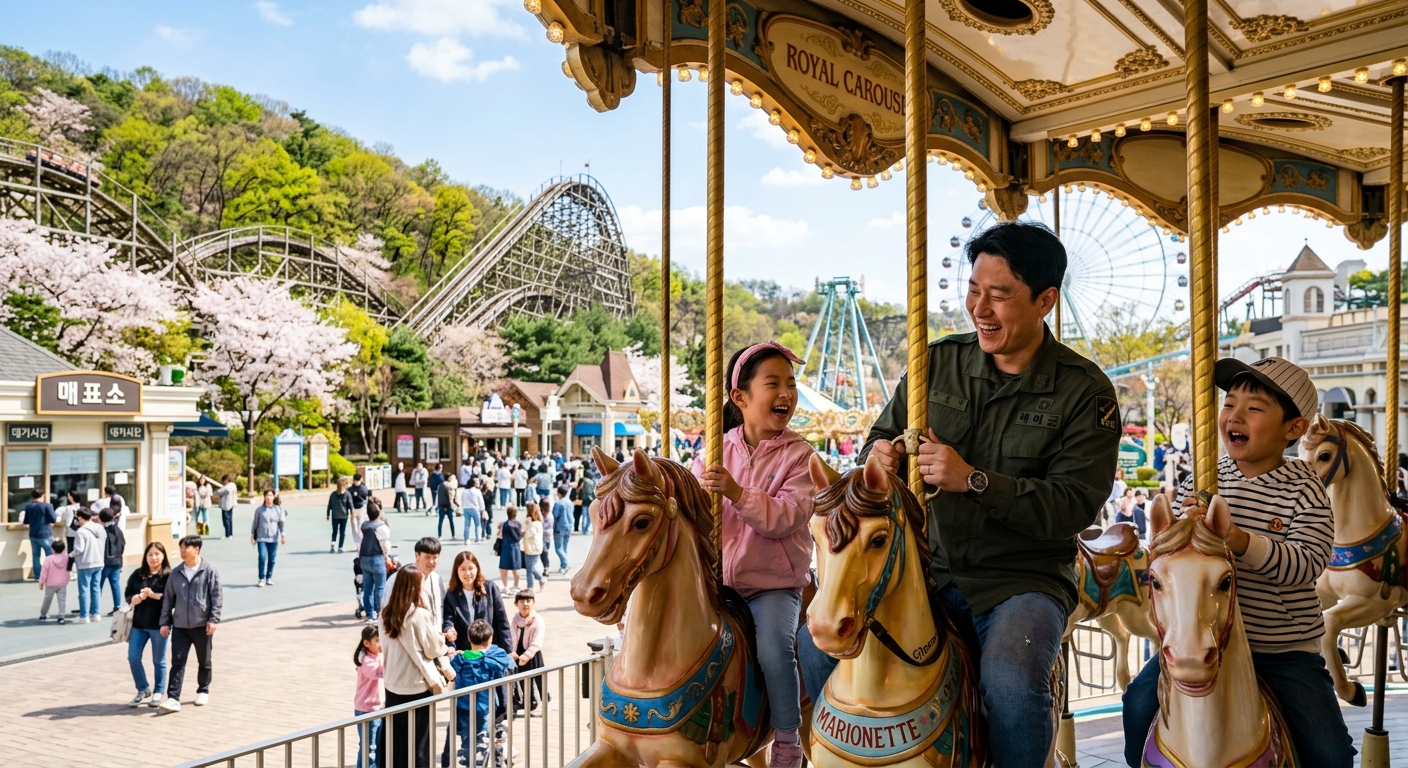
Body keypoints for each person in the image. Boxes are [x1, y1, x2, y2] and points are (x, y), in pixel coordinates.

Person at [821, 221, 1122, 767]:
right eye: (974, 290)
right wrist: (879, 456)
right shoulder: (937, 363)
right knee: (812, 647)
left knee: (1011, 683)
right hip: (926, 568)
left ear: (1045, 300)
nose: (980, 308)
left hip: (1019, 579)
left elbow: (1074, 504)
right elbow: (880, 435)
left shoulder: (1084, 392)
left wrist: (973, 480)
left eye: (999, 295)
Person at [1121, 357, 1353, 767]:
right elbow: (1173, 561)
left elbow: (1308, 562)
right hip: (1202, 640)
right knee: (1138, 702)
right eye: (1229, 403)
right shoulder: (1203, 480)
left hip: (1281, 649)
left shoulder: (1305, 488)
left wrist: (1241, 541)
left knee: (1330, 751)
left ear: (1294, 428)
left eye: (1254, 408)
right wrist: (1182, 530)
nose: (1235, 415)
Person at [695, 340, 816, 768]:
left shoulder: (800, 456)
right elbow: (695, 511)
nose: (786, 393)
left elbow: (786, 516)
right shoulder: (716, 449)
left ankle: (786, 738)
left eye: (791, 384)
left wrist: (735, 491)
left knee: (774, 652)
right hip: (719, 580)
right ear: (740, 398)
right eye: (773, 383)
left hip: (773, 585)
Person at [379, 565, 447, 768]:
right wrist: (442, 640)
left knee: (395, 740)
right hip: (416, 684)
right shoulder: (419, 615)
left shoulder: (385, 614)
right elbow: (433, 649)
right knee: (419, 743)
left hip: (393, 682)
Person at [158, 535, 222, 714]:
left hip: (202, 626)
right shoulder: (176, 573)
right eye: (181, 548)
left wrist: (213, 619)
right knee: (177, 661)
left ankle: (203, 690)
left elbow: (216, 597)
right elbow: (168, 599)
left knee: (204, 660)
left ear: (197, 549)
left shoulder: (209, 570)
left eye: (186, 548)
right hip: (180, 626)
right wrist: (164, 622)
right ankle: (173, 698)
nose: (182, 551)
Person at [442, 619, 513, 768]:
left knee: (467, 743)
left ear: (469, 638)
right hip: (485, 707)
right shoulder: (495, 659)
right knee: (483, 742)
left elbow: (449, 670)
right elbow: (509, 664)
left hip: (463, 707)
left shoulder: (460, 659)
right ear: (490, 639)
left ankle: (470, 762)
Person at [125, 542, 171, 708]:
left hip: (160, 625)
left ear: (163, 556)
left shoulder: (169, 576)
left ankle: (159, 691)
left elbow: (172, 598)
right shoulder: (138, 574)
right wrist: (137, 598)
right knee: (133, 657)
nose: (153, 558)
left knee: (158, 660)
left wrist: (154, 595)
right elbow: (128, 596)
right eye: (150, 554)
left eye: (157, 554)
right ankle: (143, 688)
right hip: (139, 624)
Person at [442, 551, 511, 653]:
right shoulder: (451, 594)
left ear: (477, 569)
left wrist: (509, 650)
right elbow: (448, 619)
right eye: (463, 569)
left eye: (471, 568)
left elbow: (502, 621)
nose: (467, 573)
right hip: (465, 651)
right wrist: (449, 630)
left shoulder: (490, 588)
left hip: (489, 650)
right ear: (456, 571)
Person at [385, 537, 448, 634]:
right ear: (417, 555)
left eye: (435, 557)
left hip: (436, 637)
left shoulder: (437, 579)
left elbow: (441, 608)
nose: (431, 562)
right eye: (427, 557)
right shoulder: (398, 579)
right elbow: (386, 612)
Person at [508, 590, 546, 714]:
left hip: (533, 654)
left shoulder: (538, 620)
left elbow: (537, 642)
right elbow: (512, 635)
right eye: (522, 601)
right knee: (523, 679)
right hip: (519, 654)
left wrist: (527, 655)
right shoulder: (516, 618)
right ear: (516, 604)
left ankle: (546, 701)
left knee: (539, 680)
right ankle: (529, 701)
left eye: (528, 601)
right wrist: (512, 651)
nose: (525, 604)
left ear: (533, 603)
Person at [353, 625, 385, 768]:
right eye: (377, 641)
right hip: (367, 710)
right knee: (369, 749)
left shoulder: (377, 655)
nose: (380, 644)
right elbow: (378, 672)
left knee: (375, 747)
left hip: (377, 708)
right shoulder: (366, 660)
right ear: (366, 643)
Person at [71, 508, 107, 623]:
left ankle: (84, 616)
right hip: (99, 561)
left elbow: (79, 549)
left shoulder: (81, 531)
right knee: (96, 589)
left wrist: (70, 555)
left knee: (84, 590)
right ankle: (95, 614)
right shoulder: (100, 528)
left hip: (85, 563)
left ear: (80, 518)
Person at [360, 504, 393, 623]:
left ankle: (370, 614)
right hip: (377, 558)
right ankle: (381, 613)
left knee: (367, 588)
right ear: (378, 513)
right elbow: (385, 544)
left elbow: (360, 541)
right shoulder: (381, 526)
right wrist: (387, 556)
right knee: (380, 587)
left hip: (364, 557)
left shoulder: (364, 526)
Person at [251, 490, 287, 587]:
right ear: (264, 497)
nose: (268, 497)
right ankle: (261, 578)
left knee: (272, 559)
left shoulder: (278, 510)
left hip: (273, 539)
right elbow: (255, 523)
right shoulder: (259, 510)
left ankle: (269, 577)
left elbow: (281, 523)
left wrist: (283, 535)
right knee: (262, 557)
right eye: (267, 495)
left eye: (271, 495)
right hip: (261, 538)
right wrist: (252, 535)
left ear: (274, 497)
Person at [23, 489, 56, 582]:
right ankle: (51, 575)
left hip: (33, 534)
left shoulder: (29, 506)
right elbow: (53, 519)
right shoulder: (47, 506)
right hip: (45, 534)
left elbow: (26, 521)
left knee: (36, 556)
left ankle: (38, 576)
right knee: (50, 555)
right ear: (43, 495)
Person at [100, 509, 126, 615]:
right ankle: (117, 606)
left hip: (105, 561)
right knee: (115, 584)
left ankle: (94, 607)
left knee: (98, 585)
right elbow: (122, 544)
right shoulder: (118, 530)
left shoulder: (102, 531)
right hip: (117, 560)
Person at [37, 538, 70, 623]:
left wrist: (41, 582)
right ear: (63, 549)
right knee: (62, 600)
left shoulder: (48, 559)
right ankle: (61, 616)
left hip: (50, 583)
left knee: (47, 599)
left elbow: (44, 572)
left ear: (53, 549)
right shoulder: (66, 558)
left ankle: (43, 614)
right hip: (62, 583)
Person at [496, 506, 523, 588]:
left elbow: (499, 536)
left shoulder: (504, 524)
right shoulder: (519, 524)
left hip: (506, 548)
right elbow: (521, 535)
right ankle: (516, 585)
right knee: (516, 568)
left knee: (503, 569)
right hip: (516, 548)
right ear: (516, 514)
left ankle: (505, 586)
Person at [521, 506, 545, 592]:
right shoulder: (539, 523)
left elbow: (526, 533)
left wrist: (527, 524)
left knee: (530, 569)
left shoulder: (532, 524)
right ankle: (531, 585)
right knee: (530, 568)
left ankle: (538, 581)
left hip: (531, 549)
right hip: (536, 548)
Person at [550, 488, 573, 574]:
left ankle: (566, 564)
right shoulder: (569, 502)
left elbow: (555, 516)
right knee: (564, 548)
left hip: (559, 527)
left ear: (559, 493)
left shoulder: (558, 503)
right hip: (568, 526)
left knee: (558, 549)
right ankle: (563, 565)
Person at [328, 476, 353, 553]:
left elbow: (350, 505)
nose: (342, 487)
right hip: (336, 516)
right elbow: (330, 505)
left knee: (341, 532)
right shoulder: (333, 494)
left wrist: (352, 514)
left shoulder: (347, 494)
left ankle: (340, 546)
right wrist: (328, 514)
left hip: (343, 516)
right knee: (335, 532)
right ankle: (334, 546)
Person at [460, 478, 485, 544]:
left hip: (466, 509)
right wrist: (482, 510)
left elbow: (462, 500)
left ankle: (466, 539)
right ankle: (478, 538)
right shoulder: (477, 491)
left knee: (467, 525)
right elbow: (481, 501)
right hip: (475, 508)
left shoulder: (464, 491)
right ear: (473, 484)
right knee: (478, 524)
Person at [350, 473, 371, 545]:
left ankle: (361, 542)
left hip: (361, 509)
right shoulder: (350, 489)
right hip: (353, 509)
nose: (356, 482)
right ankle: (357, 543)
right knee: (354, 527)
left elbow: (365, 498)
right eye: (355, 481)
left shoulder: (363, 488)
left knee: (360, 526)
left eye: (358, 481)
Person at [436, 471, 457, 541]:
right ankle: (453, 535)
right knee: (451, 521)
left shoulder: (440, 485)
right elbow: (450, 497)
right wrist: (452, 505)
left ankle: (439, 535)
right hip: (448, 506)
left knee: (440, 522)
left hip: (441, 505)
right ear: (448, 478)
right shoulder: (449, 486)